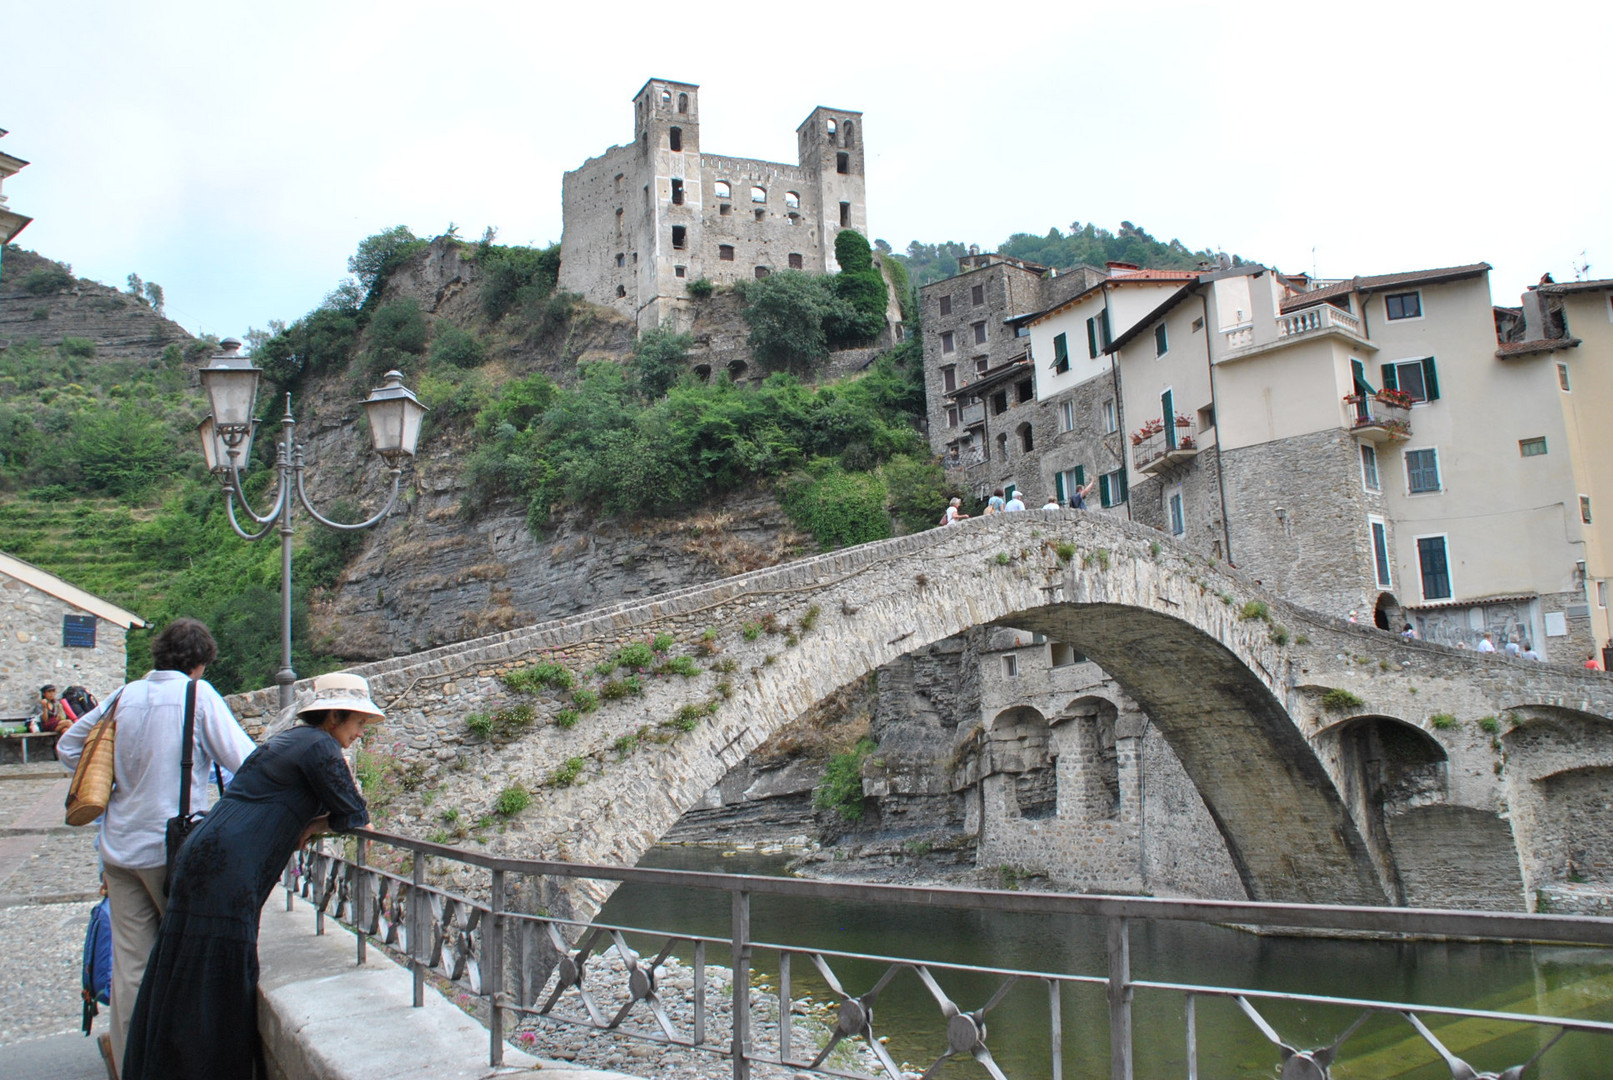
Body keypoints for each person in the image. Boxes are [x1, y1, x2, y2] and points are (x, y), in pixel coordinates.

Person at [122, 671, 379, 1080]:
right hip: (230, 864)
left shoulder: (288, 740)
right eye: (358, 722)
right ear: (333, 717)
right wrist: (314, 827)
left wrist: (310, 824)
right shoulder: (320, 746)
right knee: (218, 976)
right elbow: (354, 816)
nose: (361, 732)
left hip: (204, 853)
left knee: (183, 969)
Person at [55, 618, 257, 1076]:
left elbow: (70, 747)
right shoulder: (197, 695)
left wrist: (115, 781)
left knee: (130, 967)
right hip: (173, 850)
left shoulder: (123, 695)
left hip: (117, 849)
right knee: (187, 960)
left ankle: (133, 1065)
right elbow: (244, 762)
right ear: (201, 663)